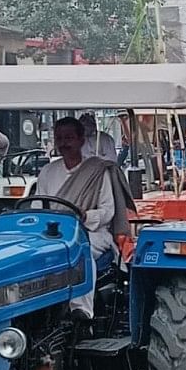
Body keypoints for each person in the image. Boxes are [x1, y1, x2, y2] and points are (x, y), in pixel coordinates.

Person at [37, 117, 134, 321]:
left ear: (82, 140)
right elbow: (38, 207)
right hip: (54, 234)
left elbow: (108, 211)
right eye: (60, 138)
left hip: (92, 233)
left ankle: (81, 312)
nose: (64, 143)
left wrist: (86, 216)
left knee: (80, 250)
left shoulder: (99, 171)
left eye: (69, 138)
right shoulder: (48, 172)